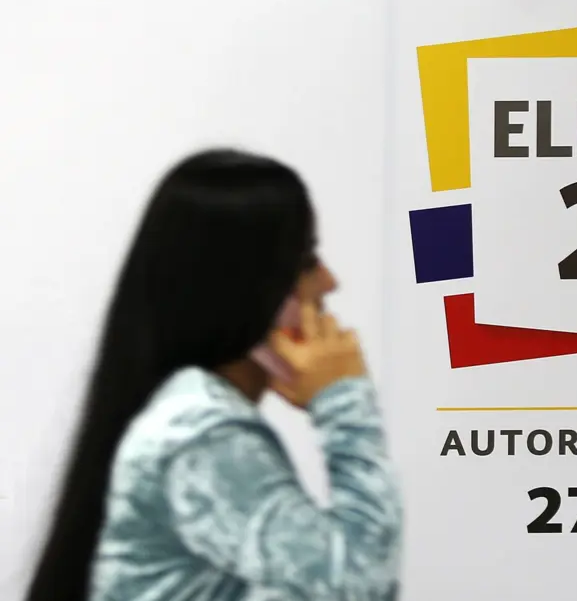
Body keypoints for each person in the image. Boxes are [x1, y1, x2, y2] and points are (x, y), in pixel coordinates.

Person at [24, 149, 402, 600]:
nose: (328, 282)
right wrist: (343, 401)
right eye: (306, 261)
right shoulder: (202, 438)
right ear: (241, 286)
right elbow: (364, 583)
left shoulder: (189, 417)